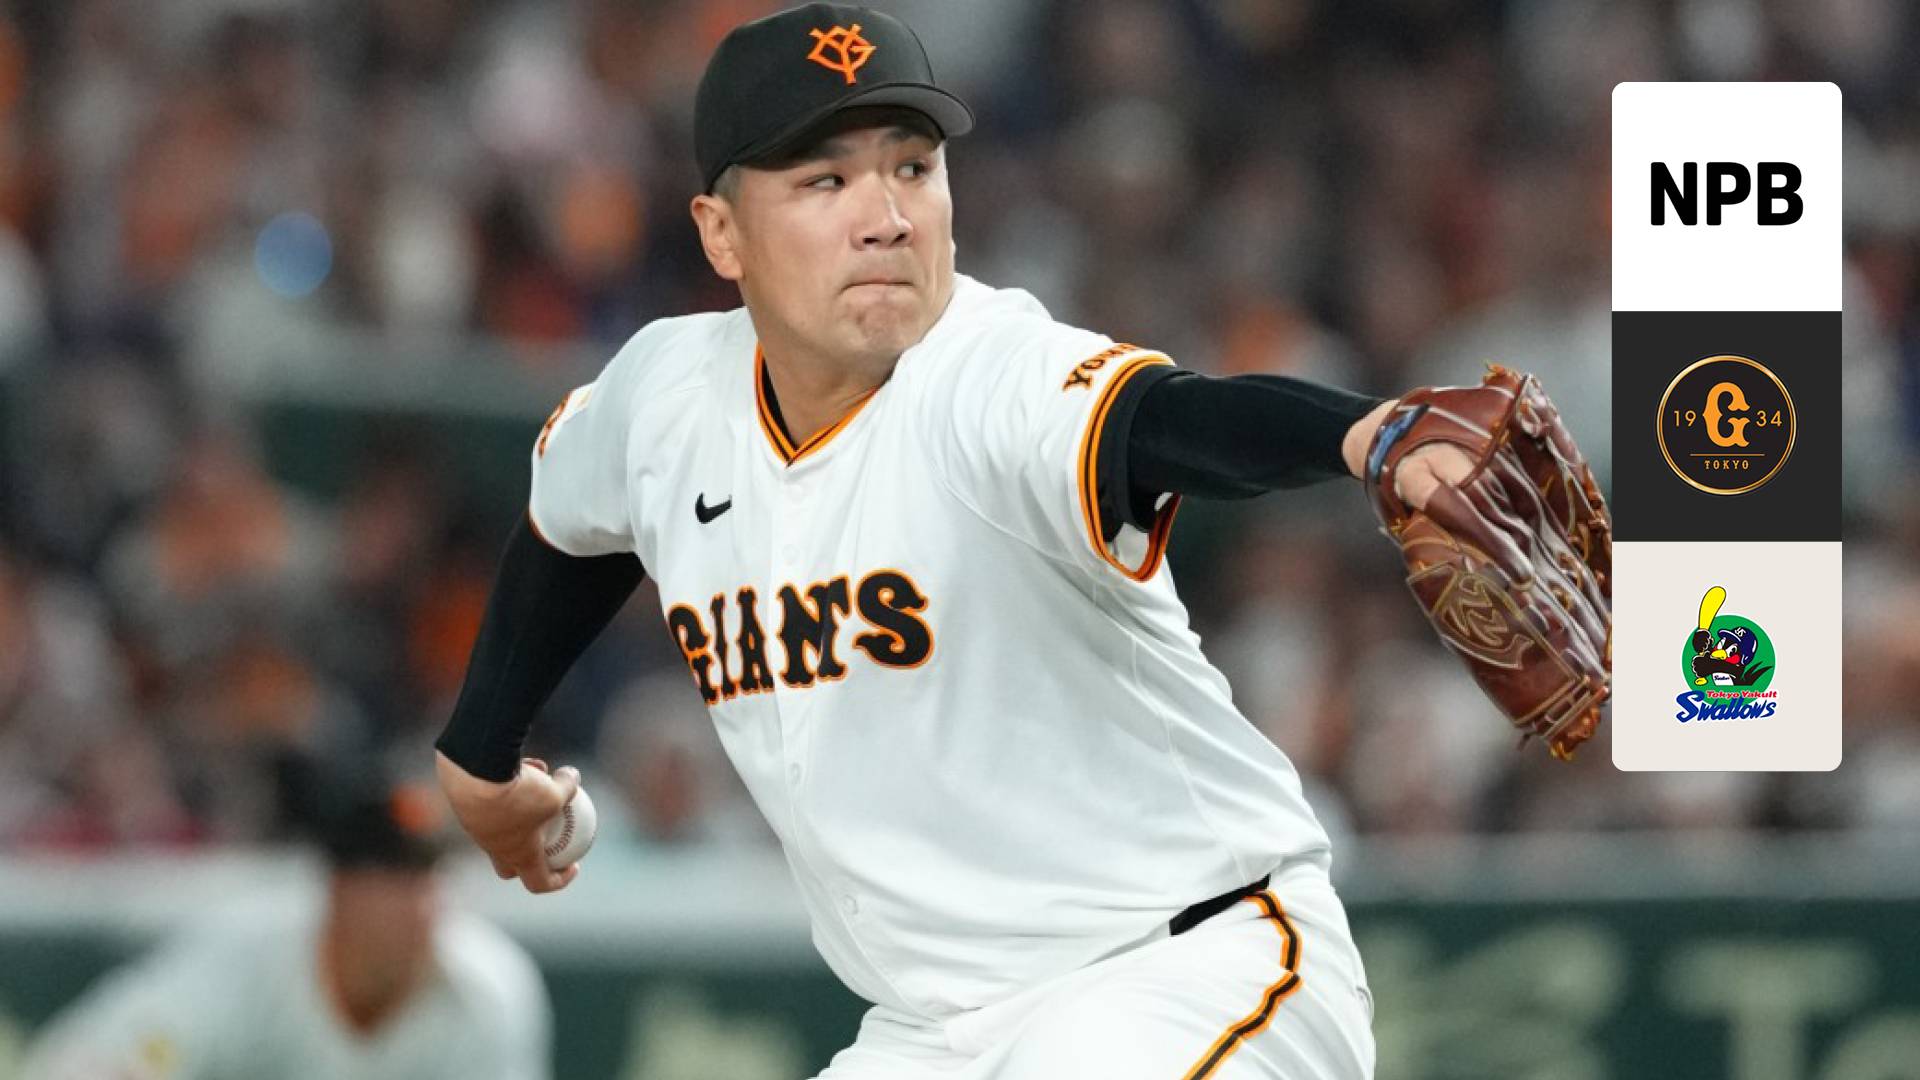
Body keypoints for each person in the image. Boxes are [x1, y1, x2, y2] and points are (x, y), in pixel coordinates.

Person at [434, 5, 1481, 1077]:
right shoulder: (665, 396)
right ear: (720, 233)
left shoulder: (990, 374)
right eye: (825, 181)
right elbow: (573, 522)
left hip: (1185, 962)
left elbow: (1166, 421)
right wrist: (479, 757)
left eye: (914, 167)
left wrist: (1364, 435)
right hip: (932, 1031)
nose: (887, 217)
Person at [22, 777, 553, 1079]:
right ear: (339, 890)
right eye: (393, 879)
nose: (418, 903)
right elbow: (91, 1061)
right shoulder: (248, 958)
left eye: (429, 876)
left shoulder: (490, 989)